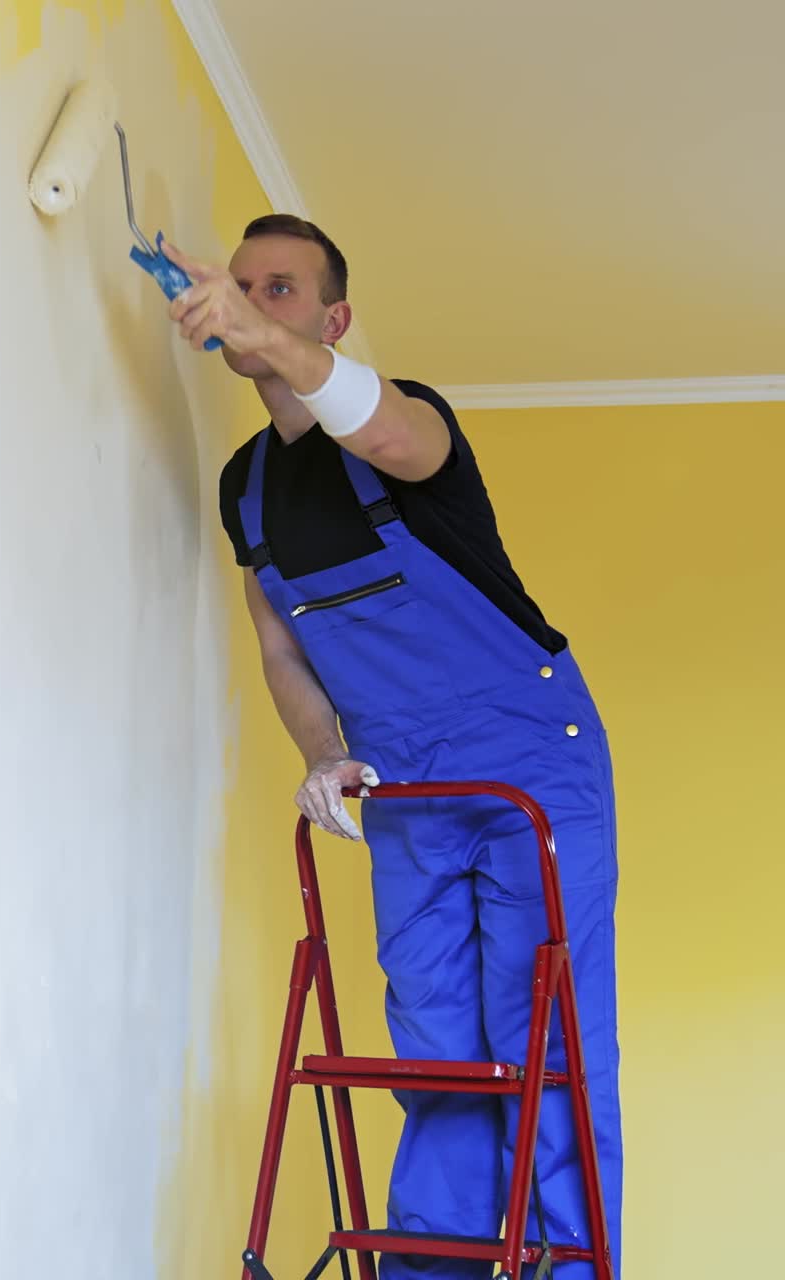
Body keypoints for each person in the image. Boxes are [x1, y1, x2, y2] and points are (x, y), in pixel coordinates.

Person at [160, 219, 622, 1279]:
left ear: (335, 320)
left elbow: (392, 438)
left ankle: (567, 1267)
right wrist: (322, 752)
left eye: (278, 287)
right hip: (400, 779)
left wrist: (261, 337)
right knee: (435, 1045)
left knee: (545, 1037)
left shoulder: (406, 421)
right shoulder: (245, 486)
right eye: (240, 286)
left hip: (525, 756)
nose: (250, 301)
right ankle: (432, 1268)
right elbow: (282, 644)